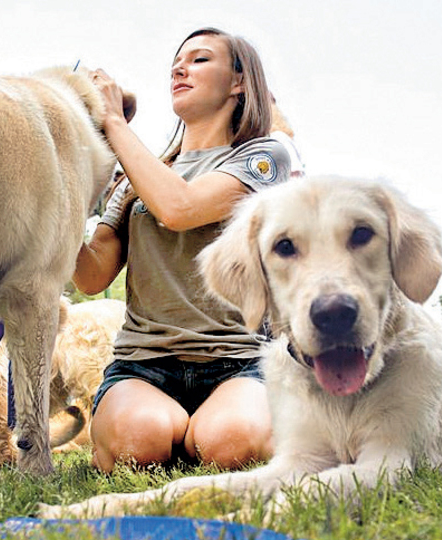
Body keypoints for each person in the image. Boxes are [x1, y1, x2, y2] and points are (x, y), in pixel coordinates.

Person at [77, 27, 292, 473]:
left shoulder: (264, 158)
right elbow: (90, 276)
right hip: (144, 365)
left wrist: (113, 122)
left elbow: (180, 208)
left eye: (200, 59)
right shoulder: (139, 178)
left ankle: (210, 428)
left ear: (239, 82)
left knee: (233, 445)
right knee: (139, 444)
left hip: (238, 362)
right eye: (177, 63)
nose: (180, 69)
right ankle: (167, 429)